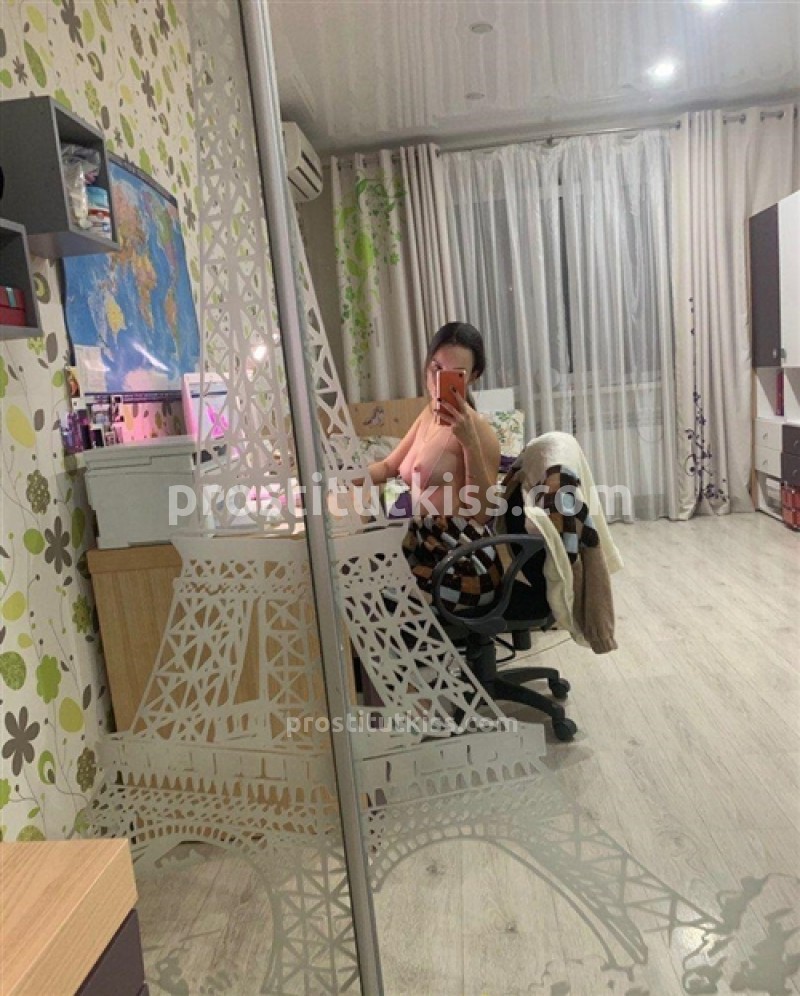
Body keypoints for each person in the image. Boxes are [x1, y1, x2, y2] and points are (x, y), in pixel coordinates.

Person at [367, 322, 503, 610]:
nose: (439, 381)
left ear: (473, 376)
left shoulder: (480, 432)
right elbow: (389, 467)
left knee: (378, 597)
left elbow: (483, 513)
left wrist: (469, 444)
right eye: (436, 369)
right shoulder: (428, 414)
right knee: (357, 577)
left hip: (464, 559)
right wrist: (335, 477)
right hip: (423, 547)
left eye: (455, 374)